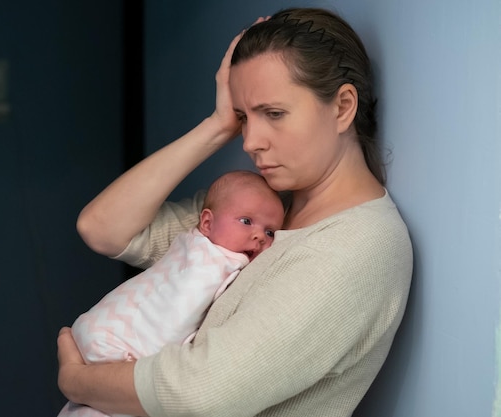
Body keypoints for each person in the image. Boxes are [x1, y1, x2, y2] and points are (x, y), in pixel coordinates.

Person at [58, 6, 413, 417]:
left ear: (343, 106)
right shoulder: (262, 209)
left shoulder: (357, 247)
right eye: (245, 117)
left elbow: (200, 392)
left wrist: (77, 380)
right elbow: (102, 229)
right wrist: (215, 125)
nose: (249, 141)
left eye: (274, 113)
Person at [58, 170, 285, 417]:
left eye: (270, 232)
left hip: (97, 332)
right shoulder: (211, 262)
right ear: (207, 223)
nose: (259, 237)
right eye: (246, 221)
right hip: (119, 345)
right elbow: (179, 312)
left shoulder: (195, 243)